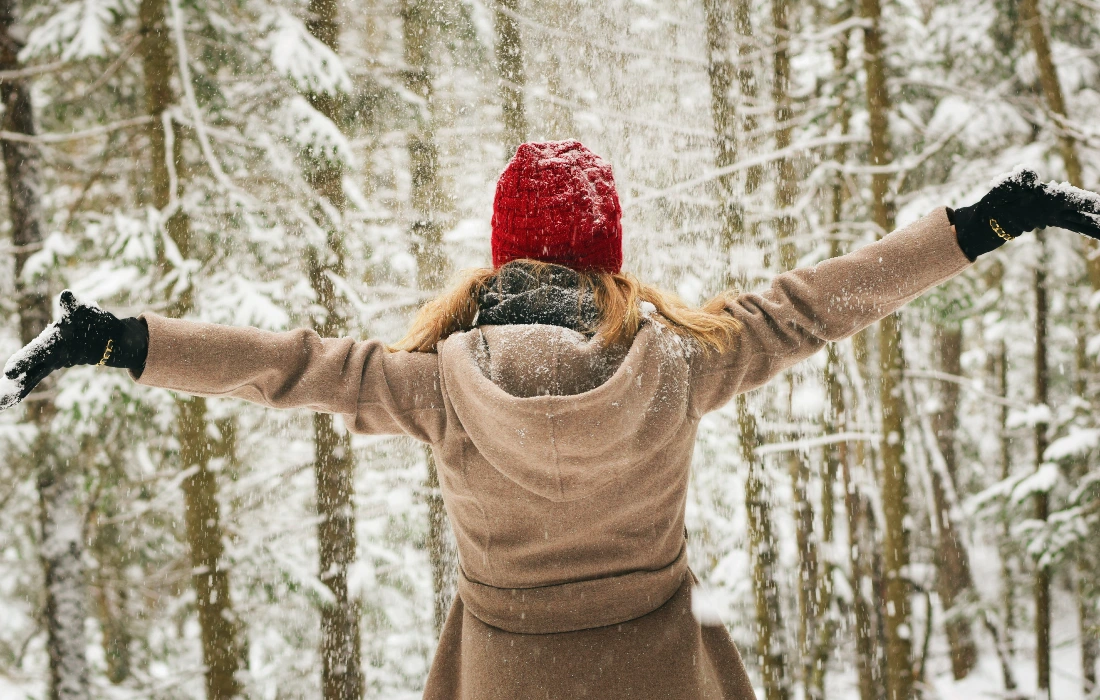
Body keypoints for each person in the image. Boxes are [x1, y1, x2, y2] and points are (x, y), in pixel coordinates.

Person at [3, 140, 1100, 699]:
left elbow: (288, 370)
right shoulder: (680, 363)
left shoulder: (432, 384)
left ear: (501, 253)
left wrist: (122, 339)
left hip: (505, 677)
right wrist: (984, 221)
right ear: (607, 252)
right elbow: (820, 303)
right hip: (665, 675)